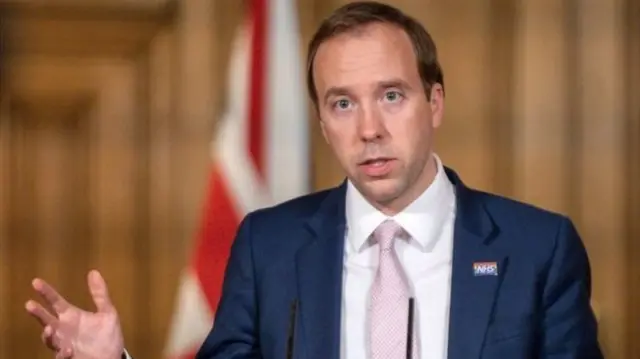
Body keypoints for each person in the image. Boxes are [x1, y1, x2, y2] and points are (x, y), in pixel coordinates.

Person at [25, 1, 603, 358]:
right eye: (343, 104)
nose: (370, 128)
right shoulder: (268, 246)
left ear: (435, 103)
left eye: (392, 96)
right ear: (323, 123)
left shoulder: (537, 248)